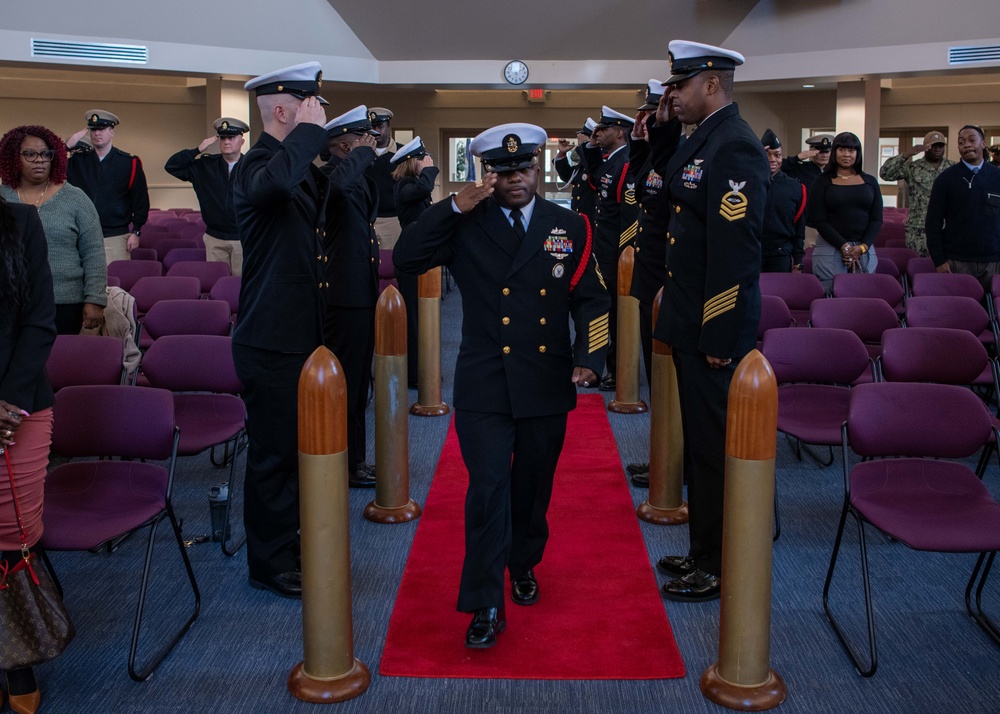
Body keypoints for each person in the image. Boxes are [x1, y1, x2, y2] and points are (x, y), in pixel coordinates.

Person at [393, 123, 610, 649]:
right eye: (503, 170)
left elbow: (593, 299)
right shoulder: (467, 222)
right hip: (486, 379)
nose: (515, 178)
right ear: (487, 174)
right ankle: (485, 600)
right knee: (488, 491)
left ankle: (524, 562)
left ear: (537, 169)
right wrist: (450, 207)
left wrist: (591, 356)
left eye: (524, 168)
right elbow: (405, 259)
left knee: (533, 488)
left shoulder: (570, 225)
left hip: (544, 378)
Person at [647, 39, 769, 603]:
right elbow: (670, 192)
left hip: (711, 328)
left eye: (681, 85)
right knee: (701, 445)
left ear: (712, 83)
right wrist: (668, 128)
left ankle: (720, 562)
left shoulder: (735, 146)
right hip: (690, 318)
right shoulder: (703, 138)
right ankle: (702, 550)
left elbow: (735, 251)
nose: (673, 94)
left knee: (717, 451)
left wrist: (719, 334)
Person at [231, 61, 329, 599]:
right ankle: (268, 564)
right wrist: (309, 135)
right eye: (311, 109)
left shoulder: (293, 164)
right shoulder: (254, 166)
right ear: (286, 110)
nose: (318, 117)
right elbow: (273, 187)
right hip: (269, 339)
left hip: (297, 334)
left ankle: (289, 544)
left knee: (294, 454)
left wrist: (323, 144)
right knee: (274, 457)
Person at [0, 192, 57, 714]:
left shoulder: (20, 220)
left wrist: (8, 401)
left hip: (15, 405)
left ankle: (15, 657)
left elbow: (40, 319)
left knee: (6, 536)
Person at [320, 106, 381, 488]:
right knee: (346, 385)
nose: (371, 144)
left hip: (360, 294)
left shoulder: (358, 180)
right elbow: (336, 189)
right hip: (341, 300)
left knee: (359, 386)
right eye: (363, 138)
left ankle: (355, 459)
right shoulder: (328, 178)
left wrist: (362, 158)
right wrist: (359, 155)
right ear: (344, 143)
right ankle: (344, 463)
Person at [0, 125, 107, 335]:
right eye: (29, 154)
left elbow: (94, 253)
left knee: (57, 363)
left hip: (64, 301)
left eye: (45, 154)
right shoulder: (3, 198)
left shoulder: (76, 199)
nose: (39, 160)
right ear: (13, 157)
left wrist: (95, 299)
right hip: (9, 300)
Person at [624, 81, 671, 486]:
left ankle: (672, 464)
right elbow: (639, 189)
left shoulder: (679, 155)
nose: (645, 120)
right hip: (649, 276)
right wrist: (641, 144)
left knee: (668, 383)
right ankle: (662, 457)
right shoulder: (657, 154)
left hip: (666, 282)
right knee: (656, 380)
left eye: (652, 114)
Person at [589, 106, 638, 391]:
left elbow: (629, 218)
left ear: (619, 132)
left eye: (604, 129)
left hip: (616, 254)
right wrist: (592, 146)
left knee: (618, 315)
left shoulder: (627, 164)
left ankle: (619, 371)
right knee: (607, 311)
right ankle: (610, 367)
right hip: (604, 249)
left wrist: (623, 256)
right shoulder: (612, 161)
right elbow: (595, 180)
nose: (599, 133)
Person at [164, 117, 250, 275]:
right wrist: (197, 150)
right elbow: (172, 166)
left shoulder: (251, 167)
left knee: (241, 285)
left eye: (231, 137)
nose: (226, 142)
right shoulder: (206, 165)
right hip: (214, 237)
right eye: (223, 137)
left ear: (241, 141)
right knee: (216, 282)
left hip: (242, 237)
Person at [65, 110, 149, 264]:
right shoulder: (78, 161)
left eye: (102, 129)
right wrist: (65, 147)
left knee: (114, 284)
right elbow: (50, 171)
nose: (97, 133)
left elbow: (140, 199)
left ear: (112, 132)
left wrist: (136, 231)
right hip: (81, 234)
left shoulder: (129, 162)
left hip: (115, 235)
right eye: (93, 129)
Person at [925, 124, 1000, 290]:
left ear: (983, 143)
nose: (966, 144)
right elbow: (932, 223)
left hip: (994, 261)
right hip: (956, 261)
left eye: (972, 140)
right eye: (961, 142)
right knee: (960, 311)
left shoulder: (997, 176)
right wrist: (939, 261)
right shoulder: (945, 179)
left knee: (993, 312)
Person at [391, 136, 439, 387]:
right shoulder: (405, 186)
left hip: (420, 255)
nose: (427, 161)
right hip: (409, 257)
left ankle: (424, 370)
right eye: (422, 158)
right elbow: (424, 189)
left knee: (424, 317)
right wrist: (429, 169)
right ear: (411, 163)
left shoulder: (412, 184)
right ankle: (414, 375)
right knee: (413, 319)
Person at [808, 131, 882, 290]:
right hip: (830, 246)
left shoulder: (870, 181)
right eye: (841, 150)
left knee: (864, 296)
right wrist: (845, 247)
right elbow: (818, 219)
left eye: (851, 150)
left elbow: (876, 219)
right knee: (832, 295)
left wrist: (862, 248)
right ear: (834, 152)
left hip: (863, 248)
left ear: (857, 153)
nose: (846, 154)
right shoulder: (822, 181)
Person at [878, 130, 953, 256]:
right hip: (918, 228)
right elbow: (885, 173)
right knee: (919, 266)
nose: (937, 149)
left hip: (946, 227)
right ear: (925, 147)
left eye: (940, 145)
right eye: (933, 146)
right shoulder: (913, 167)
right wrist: (906, 154)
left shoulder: (952, 168)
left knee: (945, 269)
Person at [759, 128, 807, 273]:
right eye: (767, 154)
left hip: (781, 256)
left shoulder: (795, 187)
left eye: (777, 155)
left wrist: (798, 262)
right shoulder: (748, 182)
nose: (772, 159)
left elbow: (799, 228)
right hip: (753, 253)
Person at [366, 107, 404, 250]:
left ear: (388, 128)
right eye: (372, 127)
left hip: (393, 220)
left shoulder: (402, 154)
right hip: (366, 219)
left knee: (391, 266)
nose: (376, 131)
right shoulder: (360, 154)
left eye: (380, 126)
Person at [552, 118, 600, 219]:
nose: (579, 137)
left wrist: (584, 145)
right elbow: (568, 176)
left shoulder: (599, 158)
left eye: (582, 135)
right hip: (581, 215)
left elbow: (593, 171)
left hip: (593, 216)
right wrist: (562, 153)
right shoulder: (583, 162)